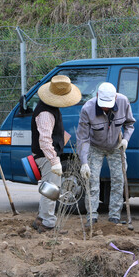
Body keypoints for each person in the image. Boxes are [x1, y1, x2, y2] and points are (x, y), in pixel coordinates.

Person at [77, 82, 135, 226]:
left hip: (116, 146)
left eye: (108, 104)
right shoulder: (87, 109)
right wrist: (84, 162)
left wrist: (126, 139)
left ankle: (114, 216)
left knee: (118, 181)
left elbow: (129, 124)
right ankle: (92, 216)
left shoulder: (123, 102)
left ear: (115, 97)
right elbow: (82, 138)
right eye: (103, 104)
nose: (105, 108)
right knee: (92, 182)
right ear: (97, 96)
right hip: (95, 147)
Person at [30, 75, 81, 233]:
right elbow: (45, 140)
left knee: (48, 187)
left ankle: (41, 218)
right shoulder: (46, 112)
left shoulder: (49, 108)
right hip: (46, 156)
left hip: (47, 155)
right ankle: (48, 223)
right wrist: (54, 161)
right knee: (51, 190)